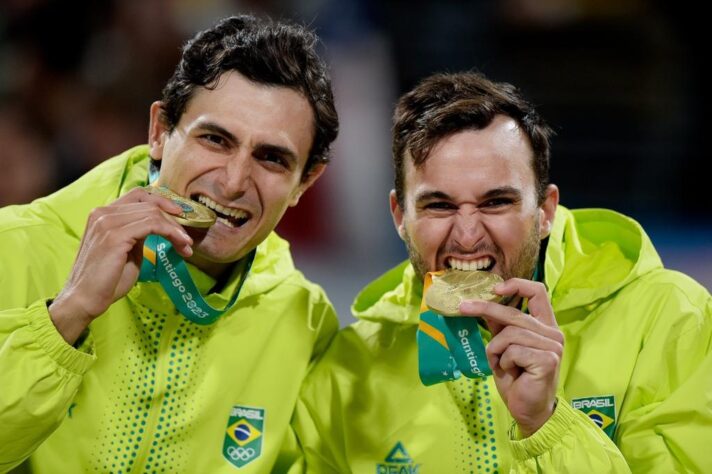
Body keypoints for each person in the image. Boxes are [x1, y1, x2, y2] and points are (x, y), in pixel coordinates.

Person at [288, 72, 711, 472]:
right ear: (400, 216)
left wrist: (546, 425)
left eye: (496, 203)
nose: (468, 236)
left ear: (544, 211)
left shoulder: (670, 323)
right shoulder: (347, 373)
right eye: (439, 205)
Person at [0, 14, 339, 473]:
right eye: (215, 139)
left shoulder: (303, 321)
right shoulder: (14, 249)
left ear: (306, 182)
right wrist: (68, 314)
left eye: (272, 158)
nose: (235, 181)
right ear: (160, 132)